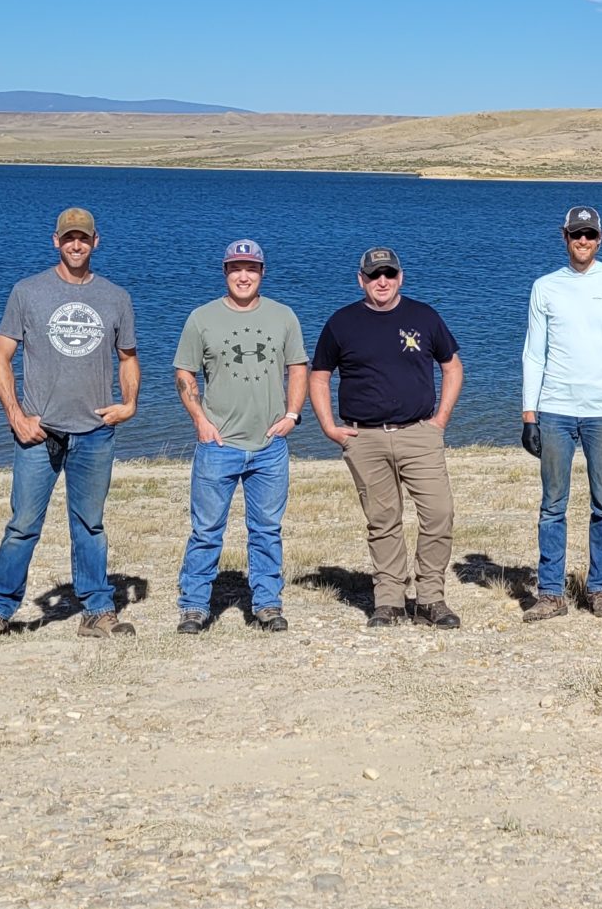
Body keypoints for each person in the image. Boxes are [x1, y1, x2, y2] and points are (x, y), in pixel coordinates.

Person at [0, 209, 140, 643]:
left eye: (83, 238)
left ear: (95, 242)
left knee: (90, 524)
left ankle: (97, 609)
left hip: (94, 432)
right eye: (69, 238)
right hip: (39, 432)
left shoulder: (115, 296)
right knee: (23, 524)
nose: (76, 245)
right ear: (56, 241)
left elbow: (128, 357)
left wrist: (129, 404)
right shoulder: (28, 292)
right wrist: (16, 416)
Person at [309, 247, 463, 630]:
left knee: (439, 514)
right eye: (374, 275)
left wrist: (440, 419)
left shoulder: (423, 316)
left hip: (419, 433)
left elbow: (452, 366)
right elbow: (318, 375)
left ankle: (430, 598)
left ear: (400, 277)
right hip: (365, 438)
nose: (382, 282)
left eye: (389, 274)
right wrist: (329, 427)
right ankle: (390, 601)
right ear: (360, 279)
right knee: (383, 520)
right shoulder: (341, 323)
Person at [519, 204, 602, 620]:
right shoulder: (545, 287)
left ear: (600, 238)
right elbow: (533, 354)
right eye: (576, 235)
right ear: (565, 237)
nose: (583, 242)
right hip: (554, 409)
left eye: (589, 235)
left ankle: (600, 588)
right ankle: (551, 592)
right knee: (552, 504)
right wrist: (529, 415)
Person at [175, 240, 309, 634]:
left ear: (262, 272)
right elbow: (185, 374)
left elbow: (298, 367)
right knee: (206, 530)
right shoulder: (202, 318)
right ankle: (195, 606)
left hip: (269, 445)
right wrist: (199, 419)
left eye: (251, 268)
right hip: (218, 444)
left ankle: (267, 604)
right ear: (225, 272)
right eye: (236, 268)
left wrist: (292, 415)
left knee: (267, 529)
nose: (243, 275)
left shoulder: (283, 316)